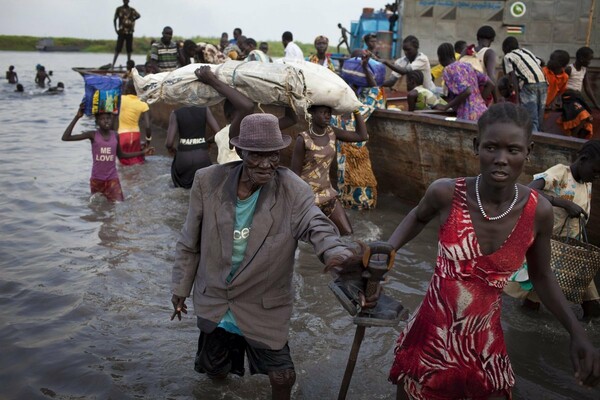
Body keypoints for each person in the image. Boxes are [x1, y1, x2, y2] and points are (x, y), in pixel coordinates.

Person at [386, 102, 600, 399]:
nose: (501, 159)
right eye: (491, 148)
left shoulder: (539, 212)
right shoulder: (447, 193)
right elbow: (417, 216)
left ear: (529, 151)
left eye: (513, 150)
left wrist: (576, 331)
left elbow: (541, 275)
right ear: (476, 146)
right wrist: (388, 248)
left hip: (484, 344)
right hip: (430, 336)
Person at [170, 111, 363, 400]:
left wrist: (339, 256)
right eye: (256, 155)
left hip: (263, 301)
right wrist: (180, 290)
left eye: (272, 155)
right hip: (217, 295)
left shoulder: (293, 189)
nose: (265, 164)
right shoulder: (208, 181)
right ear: (239, 151)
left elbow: (317, 226)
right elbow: (189, 241)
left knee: (283, 375)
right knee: (215, 371)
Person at [505, 140, 600, 318]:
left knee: (592, 305)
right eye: (595, 171)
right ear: (583, 159)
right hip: (549, 248)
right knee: (533, 298)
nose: (596, 177)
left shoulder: (586, 182)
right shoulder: (561, 172)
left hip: (572, 251)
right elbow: (529, 190)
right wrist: (563, 203)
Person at [291, 106, 368, 235]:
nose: (327, 116)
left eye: (329, 113)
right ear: (312, 114)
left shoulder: (332, 132)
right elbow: (294, 175)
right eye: (323, 112)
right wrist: (295, 202)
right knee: (312, 238)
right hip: (307, 198)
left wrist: (356, 110)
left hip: (327, 194)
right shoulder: (303, 139)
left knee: (347, 233)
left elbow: (362, 136)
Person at [62, 104, 153, 202]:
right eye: (102, 119)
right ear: (97, 122)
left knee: (119, 203)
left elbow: (121, 155)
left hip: (112, 179)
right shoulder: (93, 135)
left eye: (108, 118)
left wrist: (142, 152)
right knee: (96, 207)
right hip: (97, 180)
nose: (106, 121)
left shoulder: (115, 135)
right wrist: (77, 117)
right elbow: (66, 137)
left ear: (112, 120)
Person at [436, 42, 494, 121]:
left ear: (440, 58)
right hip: (483, 113)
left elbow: (467, 91)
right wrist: (478, 101)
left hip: (468, 116)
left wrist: (446, 107)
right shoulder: (467, 66)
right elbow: (490, 84)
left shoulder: (448, 70)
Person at [502, 36, 547, 131]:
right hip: (543, 83)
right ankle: (539, 139)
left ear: (505, 48)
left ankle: (532, 141)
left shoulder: (508, 56)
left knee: (530, 119)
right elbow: (542, 61)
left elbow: (512, 76)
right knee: (539, 117)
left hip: (528, 85)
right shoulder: (526, 51)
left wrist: (517, 97)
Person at [117, 79, 152, 166]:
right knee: (136, 161)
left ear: (126, 89)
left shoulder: (120, 99)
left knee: (123, 163)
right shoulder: (142, 104)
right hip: (135, 135)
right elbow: (147, 126)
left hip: (122, 135)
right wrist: (148, 141)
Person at [111, 0, 140, 68]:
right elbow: (115, 19)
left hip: (129, 32)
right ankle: (113, 65)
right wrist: (115, 29)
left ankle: (129, 66)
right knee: (118, 48)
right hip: (121, 31)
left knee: (129, 49)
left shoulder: (132, 10)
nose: (126, 1)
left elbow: (138, 16)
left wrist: (132, 19)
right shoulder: (119, 9)